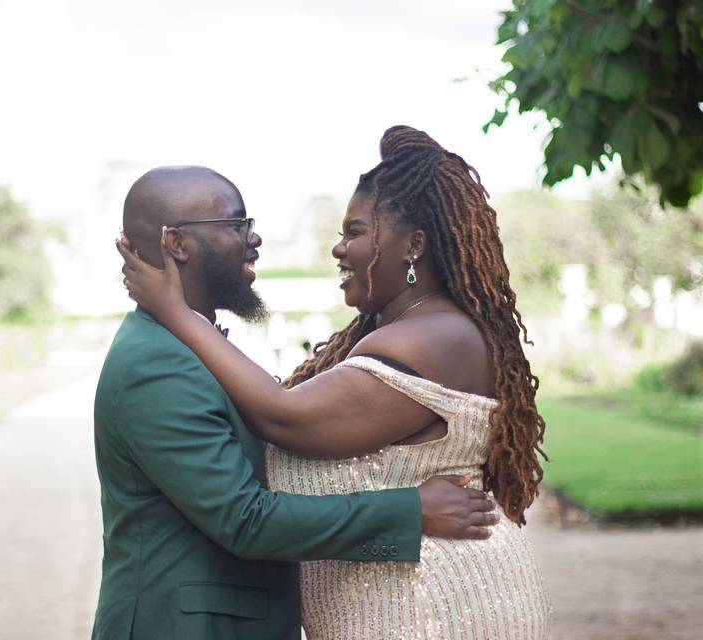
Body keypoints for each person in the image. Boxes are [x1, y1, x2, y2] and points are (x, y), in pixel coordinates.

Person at [117, 128, 553, 639]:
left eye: (355, 231)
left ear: (413, 245)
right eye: (238, 225)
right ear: (177, 242)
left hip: (430, 610)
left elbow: (284, 417)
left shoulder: (432, 337)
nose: (338, 248)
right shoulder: (405, 332)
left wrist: (176, 313)